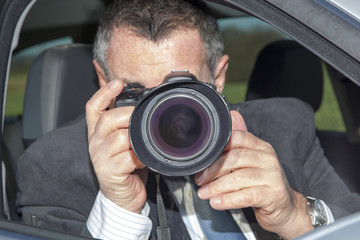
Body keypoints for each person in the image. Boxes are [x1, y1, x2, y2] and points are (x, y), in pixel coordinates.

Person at [17, 0, 360, 239]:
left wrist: (297, 216)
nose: (163, 112)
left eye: (181, 89)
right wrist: (119, 211)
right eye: (136, 92)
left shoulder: (285, 126)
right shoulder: (53, 165)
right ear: (105, 82)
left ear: (219, 77)